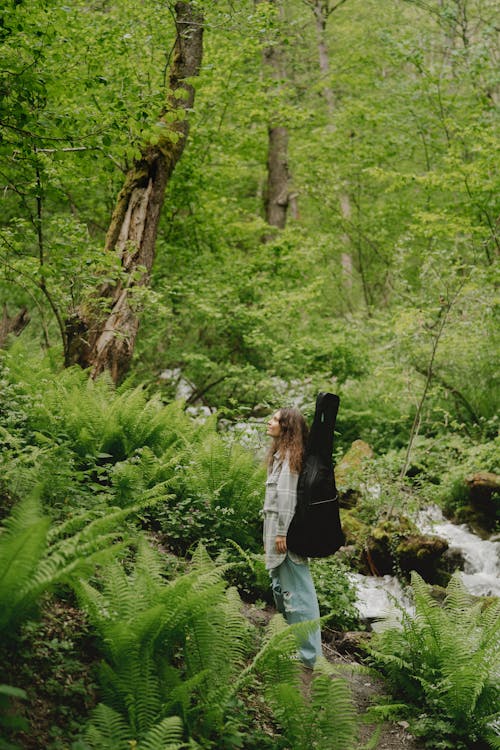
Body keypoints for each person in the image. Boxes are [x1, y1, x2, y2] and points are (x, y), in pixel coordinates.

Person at [264, 407, 322, 668]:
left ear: (287, 427)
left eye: (275, 419)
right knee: (283, 590)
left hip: (285, 537)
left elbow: (287, 499)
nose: (270, 422)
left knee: (298, 595)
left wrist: (280, 533)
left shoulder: (289, 460)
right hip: (277, 534)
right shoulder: (280, 456)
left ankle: (309, 657)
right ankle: (295, 644)